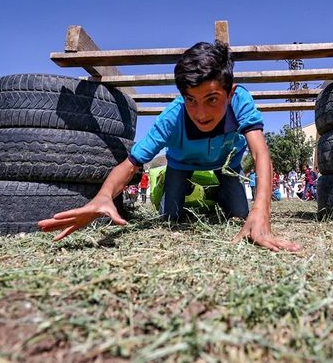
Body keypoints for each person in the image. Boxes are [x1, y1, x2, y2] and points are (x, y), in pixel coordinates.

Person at [38, 41, 301, 252]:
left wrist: (261, 211)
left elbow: (260, 152)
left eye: (212, 99)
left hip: (226, 165)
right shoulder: (171, 118)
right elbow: (131, 164)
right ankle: (172, 184)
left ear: (230, 94)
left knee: (239, 215)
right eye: (191, 100)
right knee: (170, 218)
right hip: (181, 164)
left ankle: (217, 193)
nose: (201, 113)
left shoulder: (240, 100)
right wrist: (104, 195)